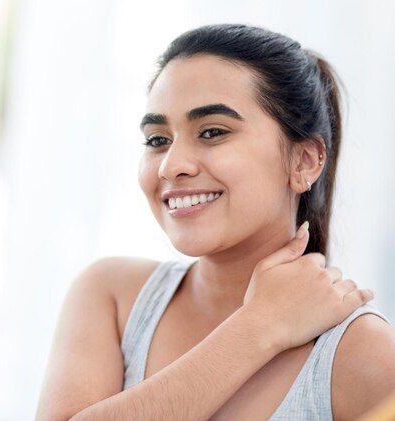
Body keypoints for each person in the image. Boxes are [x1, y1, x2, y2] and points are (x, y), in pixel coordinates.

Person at [36, 24, 395, 421]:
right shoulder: (114, 297)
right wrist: (258, 326)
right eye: (158, 140)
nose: (172, 166)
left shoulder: (365, 355)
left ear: (304, 160)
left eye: (212, 132)